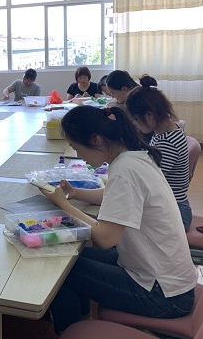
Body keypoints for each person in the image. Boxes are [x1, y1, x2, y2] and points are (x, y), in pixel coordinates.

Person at [40, 106, 196, 334]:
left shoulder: (125, 169)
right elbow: (114, 195)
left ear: (96, 140)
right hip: (165, 277)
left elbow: (105, 239)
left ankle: (70, 332)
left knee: (62, 268)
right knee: (71, 255)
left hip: (164, 295)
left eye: (77, 148)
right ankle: (81, 320)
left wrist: (64, 205)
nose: (80, 156)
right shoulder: (135, 157)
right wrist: (75, 193)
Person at [126, 74, 191, 229]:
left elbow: (151, 183)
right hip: (169, 204)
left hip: (175, 212)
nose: (135, 123)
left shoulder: (167, 142)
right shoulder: (165, 131)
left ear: (149, 115)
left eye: (135, 119)